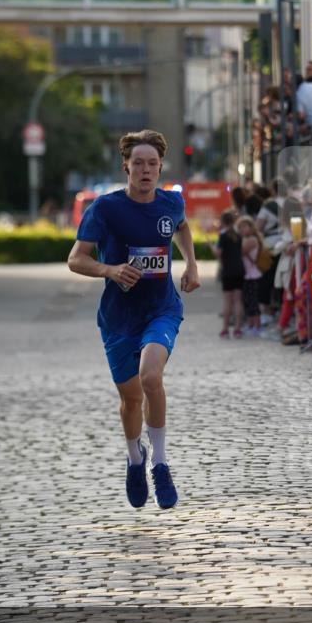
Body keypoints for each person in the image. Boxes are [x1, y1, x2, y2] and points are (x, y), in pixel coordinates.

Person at [67, 130, 200, 510]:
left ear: (160, 167)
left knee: (151, 377)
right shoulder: (105, 209)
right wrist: (110, 270)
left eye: (152, 164)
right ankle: (134, 458)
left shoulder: (171, 203)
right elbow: (76, 258)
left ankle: (160, 463)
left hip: (161, 309)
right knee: (130, 399)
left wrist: (191, 263)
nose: (145, 170)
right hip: (118, 318)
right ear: (126, 166)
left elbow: (182, 226)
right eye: (138, 163)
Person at [211, 209, 245, 339]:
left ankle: (225, 328)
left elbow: (218, 253)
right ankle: (238, 328)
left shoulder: (223, 235)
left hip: (228, 270)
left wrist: (211, 246)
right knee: (238, 300)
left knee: (227, 301)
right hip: (239, 269)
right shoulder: (238, 234)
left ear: (222, 222)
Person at [236, 215, 263, 336]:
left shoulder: (251, 239)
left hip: (252, 274)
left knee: (253, 302)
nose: (242, 229)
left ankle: (257, 325)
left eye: (244, 227)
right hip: (247, 274)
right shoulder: (246, 239)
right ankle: (251, 324)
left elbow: (240, 251)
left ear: (250, 227)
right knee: (248, 301)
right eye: (240, 227)